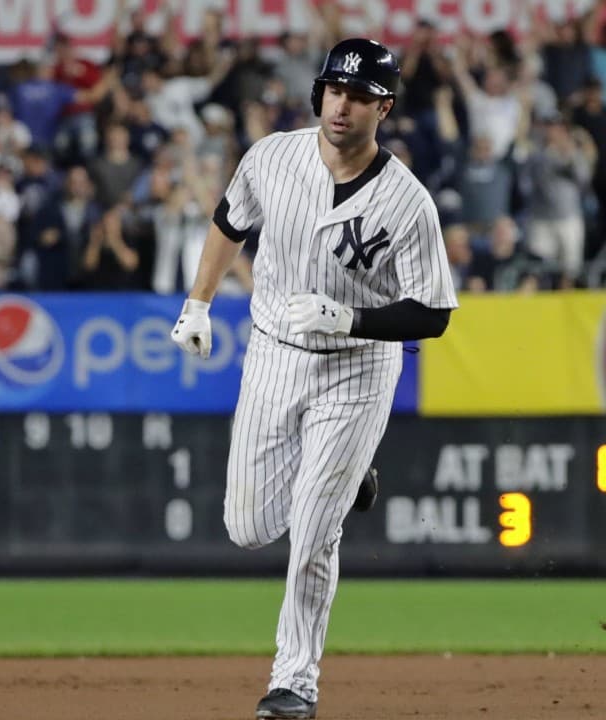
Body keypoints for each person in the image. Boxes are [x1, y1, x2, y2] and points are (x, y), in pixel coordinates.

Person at [170, 39, 457, 719]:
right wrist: (198, 303)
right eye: (334, 89)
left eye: (359, 95)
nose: (342, 104)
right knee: (246, 526)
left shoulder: (408, 202)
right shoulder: (271, 157)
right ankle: (351, 474)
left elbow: (435, 314)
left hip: (357, 370)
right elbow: (228, 221)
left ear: (383, 107)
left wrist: (350, 318)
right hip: (273, 352)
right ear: (319, 93)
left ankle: (293, 684)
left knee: (313, 530)